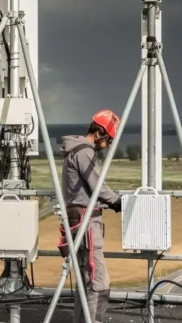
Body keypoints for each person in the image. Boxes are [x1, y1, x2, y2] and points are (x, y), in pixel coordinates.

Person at [59, 109, 123, 323]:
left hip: (79, 223)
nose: (109, 144)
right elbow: (97, 186)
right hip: (87, 225)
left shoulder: (75, 149)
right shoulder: (85, 152)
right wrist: (116, 201)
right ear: (100, 133)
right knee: (98, 283)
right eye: (109, 139)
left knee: (86, 282)